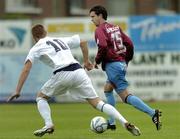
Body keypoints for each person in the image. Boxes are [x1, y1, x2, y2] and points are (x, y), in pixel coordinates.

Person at [7, 24, 141, 137]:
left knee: (41, 97)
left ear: (34, 38)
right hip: (78, 71)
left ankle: (48, 124)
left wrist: (17, 90)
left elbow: (26, 69)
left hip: (62, 73)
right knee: (97, 103)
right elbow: (83, 42)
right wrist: (87, 61)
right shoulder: (59, 40)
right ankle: (124, 121)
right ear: (46, 33)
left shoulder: (36, 47)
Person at [89, 5, 162, 131]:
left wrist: (96, 61)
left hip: (113, 65)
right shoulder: (116, 27)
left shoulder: (100, 29)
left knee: (125, 96)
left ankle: (152, 113)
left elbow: (103, 45)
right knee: (107, 89)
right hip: (120, 64)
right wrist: (126, 60)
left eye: (93, 16)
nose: (91, 19)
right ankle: (111, 122)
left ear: (100, 15)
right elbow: (129, 43)